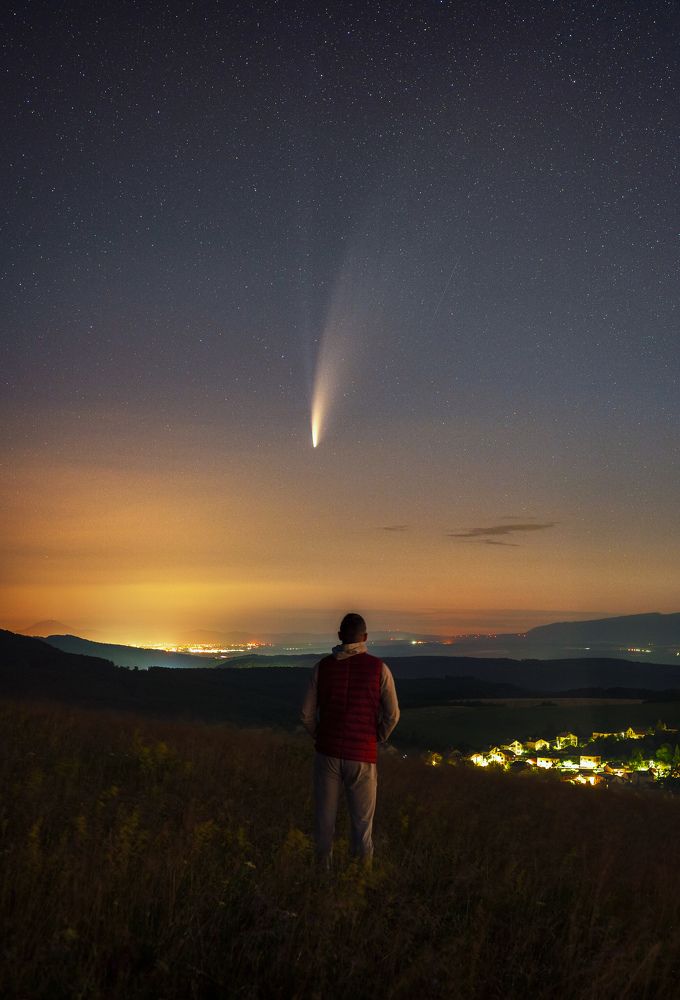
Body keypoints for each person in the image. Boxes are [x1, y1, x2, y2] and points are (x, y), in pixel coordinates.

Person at [300, 612, 400, 867]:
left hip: (327, 753)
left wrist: (320, 735)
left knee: (324, 823)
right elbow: (392, 715)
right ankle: (359, 877)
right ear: (364, 637)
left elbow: (306, 714)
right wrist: (376, 737)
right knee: (362, 826)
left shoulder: (322, 667)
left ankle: (322, 875)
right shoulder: (379, 668)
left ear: (339, 636)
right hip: (362, 756)